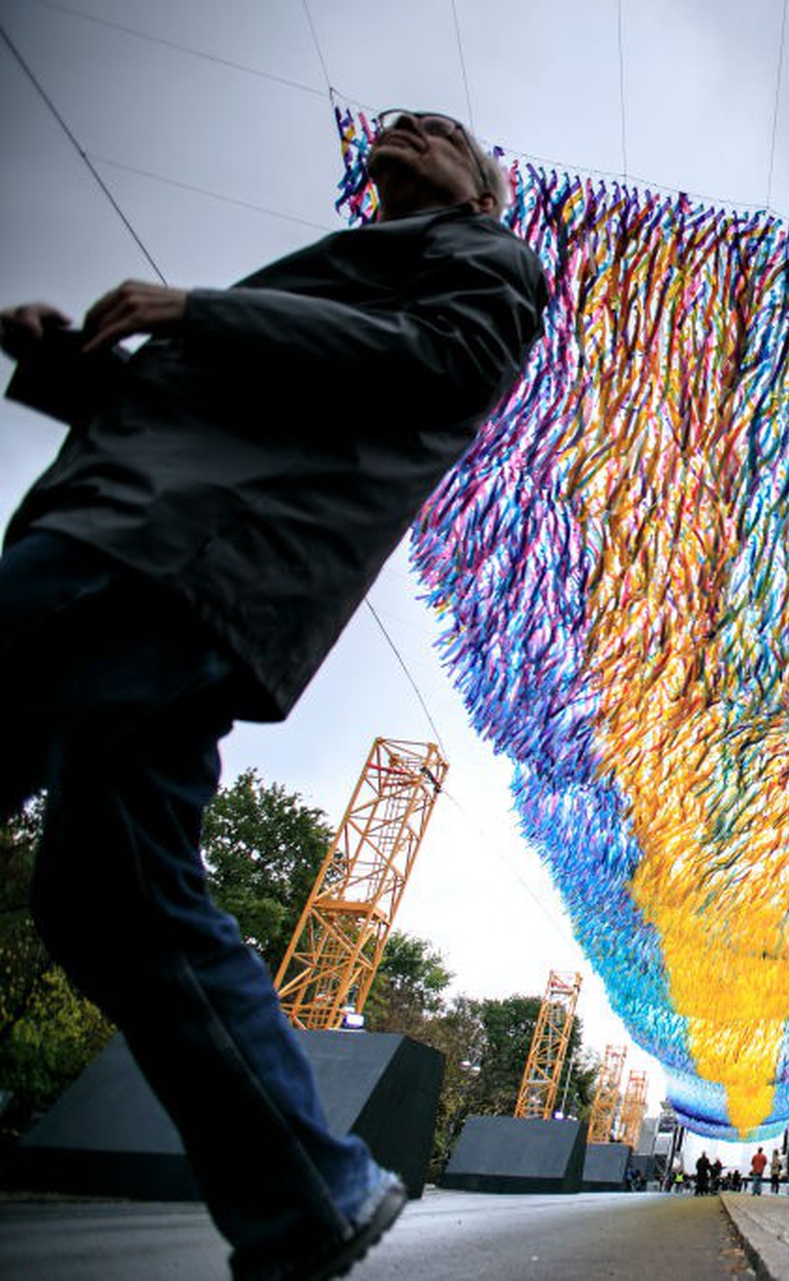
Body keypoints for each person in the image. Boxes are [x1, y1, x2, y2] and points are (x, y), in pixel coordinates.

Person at [0, 108, 544, 1280]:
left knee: (117, 890)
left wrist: (200, 310)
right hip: (155, 547)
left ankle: (312, 1189)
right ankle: (310, 1192)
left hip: (164, 562)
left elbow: (438, 366)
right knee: (115, 897)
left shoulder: (484, 263)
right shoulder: (363, 271)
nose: (408, 125)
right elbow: (209, 415)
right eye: (400, 120)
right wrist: (60, 368)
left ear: (482, 190)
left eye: (440, 129)